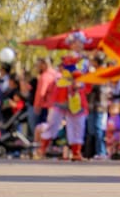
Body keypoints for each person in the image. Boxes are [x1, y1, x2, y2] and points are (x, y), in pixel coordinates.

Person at [39, 31, 91, 160]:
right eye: (75, 43)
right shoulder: (66, 60)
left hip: (77, 95)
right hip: (62, 94)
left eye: (80, 43)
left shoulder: (86, 62)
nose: (78, 45)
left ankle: (76, 152)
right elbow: (62, 75)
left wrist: (82, 84)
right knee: (53, 121)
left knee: (77, 123)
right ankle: (42, 149)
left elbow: (87, 79)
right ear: (71, 45)